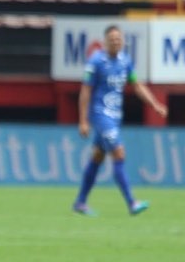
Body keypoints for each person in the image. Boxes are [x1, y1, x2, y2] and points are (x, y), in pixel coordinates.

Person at [72, 25, 167, 217]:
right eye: (112, 38)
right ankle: (132, 203)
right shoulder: (96, 62)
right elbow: (85, 91)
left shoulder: (125, 61)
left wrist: (155, 104)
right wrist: (83, 120)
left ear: (123, 41)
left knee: (98, 157)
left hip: (114, 117)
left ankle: (80, 202)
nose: (116, 41)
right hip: (100, 115)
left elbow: (137, 85)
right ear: (105, 41)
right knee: (119, 152)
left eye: (119, 38)